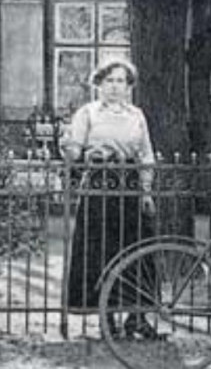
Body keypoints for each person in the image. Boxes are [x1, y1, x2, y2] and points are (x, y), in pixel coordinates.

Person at [60, 60, 158, 338]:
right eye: (109, 81)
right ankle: (108, 318)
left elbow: (147, 155)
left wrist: (147, 191)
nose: (115, 87)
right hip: (100, 185)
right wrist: (68, 149)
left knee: (137, 251)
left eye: (121, 81)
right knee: (103, 251)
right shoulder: (88, 113)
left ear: (129, 87)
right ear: (99, 84)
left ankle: (137, 317)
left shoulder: (136, 114)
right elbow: (75, 149)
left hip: (130, 185)